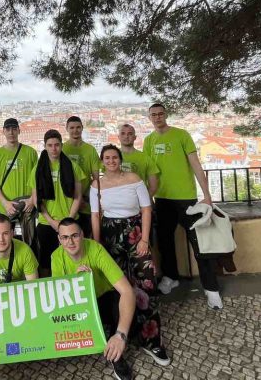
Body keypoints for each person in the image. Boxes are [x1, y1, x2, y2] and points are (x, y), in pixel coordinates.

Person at [90, 144, 170, 366]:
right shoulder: (97, 185)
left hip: (135, 232)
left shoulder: (134, 178)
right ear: (102, 161)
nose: (111, 161)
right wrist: (97, 244)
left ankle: (151, 339)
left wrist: (144, 239)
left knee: (146, 284)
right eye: (107, 158)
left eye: (114, 157)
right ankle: (120, 336)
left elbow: (146, 209)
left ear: (120, 159)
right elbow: (95, 215)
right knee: (116, 287)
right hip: (110, 235)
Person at [143, 103, 222, 309]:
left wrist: (207, 195)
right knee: (165, 241)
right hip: (162, 198)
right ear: (149, 118)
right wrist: (147, 199)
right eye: (153, 115)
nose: (157, 117)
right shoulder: (149, 140)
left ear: (166, 115)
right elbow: (147, 171)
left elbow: (196, 165)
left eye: (160, 114)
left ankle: (211, 288)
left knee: (198, 242)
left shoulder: (181, 135)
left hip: (186, 198)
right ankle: (170, 277)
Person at [51, 218, 135, 380]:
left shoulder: (96, 250)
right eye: (65, 237)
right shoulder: (56, 257)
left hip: (103, 298)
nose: (70, 242)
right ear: (59, 239)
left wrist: (121, 335)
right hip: (78, 303)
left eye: (74, 236)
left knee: (123, 305)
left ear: (82, 235)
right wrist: (76, 283)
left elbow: (127, 291)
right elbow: (59, 299)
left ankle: (116, 352)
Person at [29, 129, 84, 277]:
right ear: (45, 146)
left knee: (74, 258)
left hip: (71, 221)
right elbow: (36, 199)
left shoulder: (72, 166)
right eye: (50, 145)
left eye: (57, 145)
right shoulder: (37, 169)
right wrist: (52, 221)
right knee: (45, 262)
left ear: (61, 145)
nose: (54, 149)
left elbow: (78, 196)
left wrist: (68, 220)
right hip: (47, 223)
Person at [0, 118, 39, 246]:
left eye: (14, 129)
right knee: (3, 240)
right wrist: (5, 202)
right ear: (3, 131)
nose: (11, 132)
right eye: (8, 129)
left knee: (30, 240)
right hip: (6, 205)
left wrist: (32, 200)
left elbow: (38, 179)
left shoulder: (31, 152)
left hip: (27, 204)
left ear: (19, 131)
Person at [62, 116, 100, 236]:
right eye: (72, 127)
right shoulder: (62, 149)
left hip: (85, 202)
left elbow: (96, 179)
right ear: (67, 129)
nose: (75, 130)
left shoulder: (90, 150)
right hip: (66, 201)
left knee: (85, 235)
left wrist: (88, 199)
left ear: (82, 128)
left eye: (78, 127)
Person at [117, 124, 160, 199]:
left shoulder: (146, 158)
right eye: (123, 133)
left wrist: (143, 201)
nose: (126, 136)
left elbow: (153, 187)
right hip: (116, 202)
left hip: (140, 203)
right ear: (118, 137)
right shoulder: (111, 158)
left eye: (130, 134)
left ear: (135, 137)